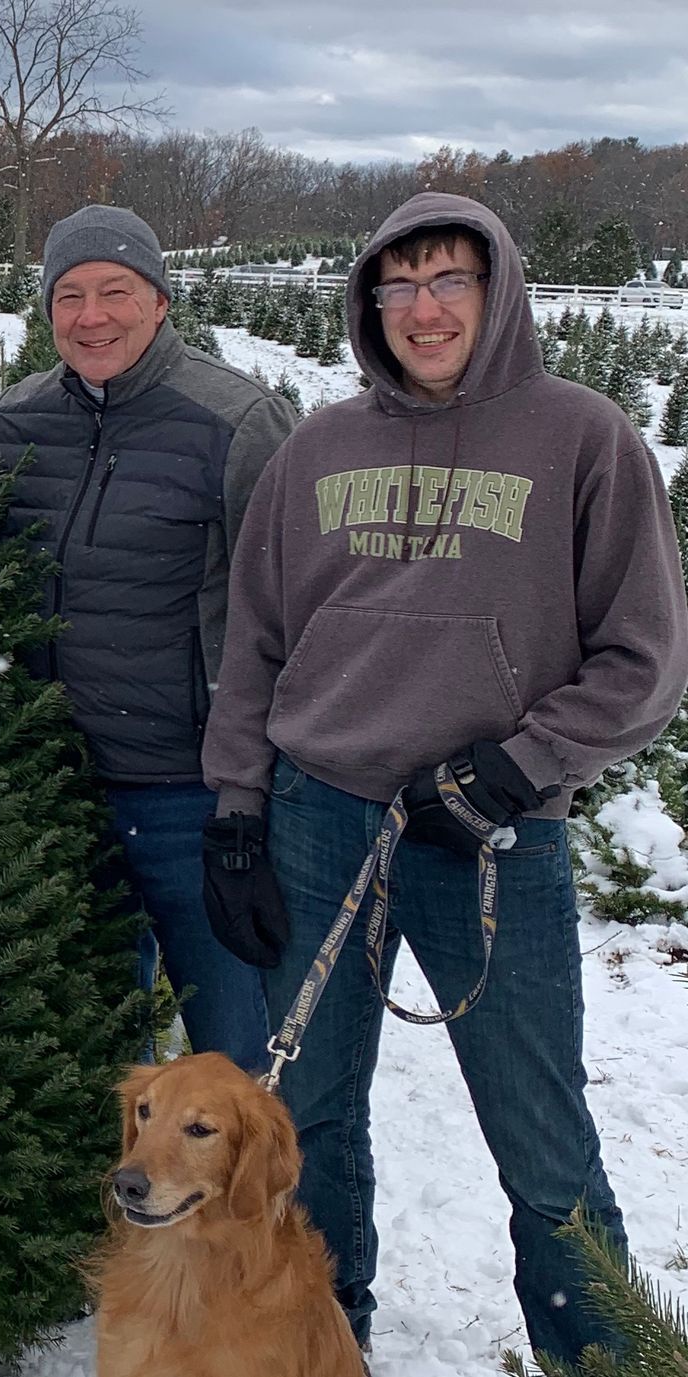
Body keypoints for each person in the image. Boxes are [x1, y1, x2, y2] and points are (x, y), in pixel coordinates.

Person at [200, 191, 688, 1362]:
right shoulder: (319, 449)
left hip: (492, 838)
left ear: (497, 289)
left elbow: (648, 659)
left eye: (448, 280)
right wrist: (237, 811)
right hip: (322, 816)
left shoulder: (583, 440)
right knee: (304, 1121)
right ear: (370, 299)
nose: (422, 308)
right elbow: (256, 643)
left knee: (542, 1142)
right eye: (398, 282)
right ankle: (317, 1344)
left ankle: (601, 1358)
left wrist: (518, 767)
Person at [0, 204, 296, 1069]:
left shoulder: (240, 422)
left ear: (159, 301)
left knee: (239, 1066)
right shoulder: (18, 420)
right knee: (101, 1063)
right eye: (69, 295)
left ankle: (263, 1212)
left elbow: (296, 614)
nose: (91, 316)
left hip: (195, 798)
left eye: (115, 290)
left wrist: (251, 797)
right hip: (62, 791)